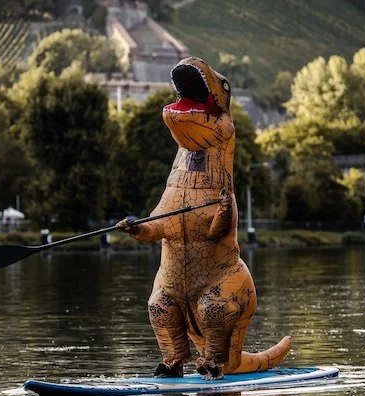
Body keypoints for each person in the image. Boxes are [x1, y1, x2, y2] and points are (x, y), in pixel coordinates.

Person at [117, 57, 291, 379]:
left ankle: (215, 362)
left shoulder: (222, 188)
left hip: (222, 282)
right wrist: (138, 227)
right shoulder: (175, 182)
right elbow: (160, 225)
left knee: (214, 307)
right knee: (159, 306)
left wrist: (222, 212)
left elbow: (217, 233)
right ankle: (172, 361)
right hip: (174, 285)